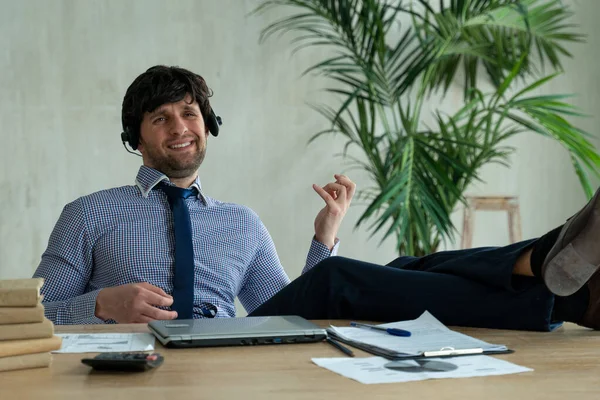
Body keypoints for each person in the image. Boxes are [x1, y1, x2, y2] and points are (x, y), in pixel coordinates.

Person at [34, 65, 600, 332]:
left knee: (402, 269)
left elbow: (291, 308)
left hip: (223, 345)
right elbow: (27, 319)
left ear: (208, 124)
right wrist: (101, 304)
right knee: (344, 281)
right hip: (133, 357)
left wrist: (324, 237)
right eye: (160, 118)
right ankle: (547, 269)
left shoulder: (241, 223)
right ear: (137, 140)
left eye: (190, 112)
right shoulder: (88, 214)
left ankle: (559, 288)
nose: (179, 125)